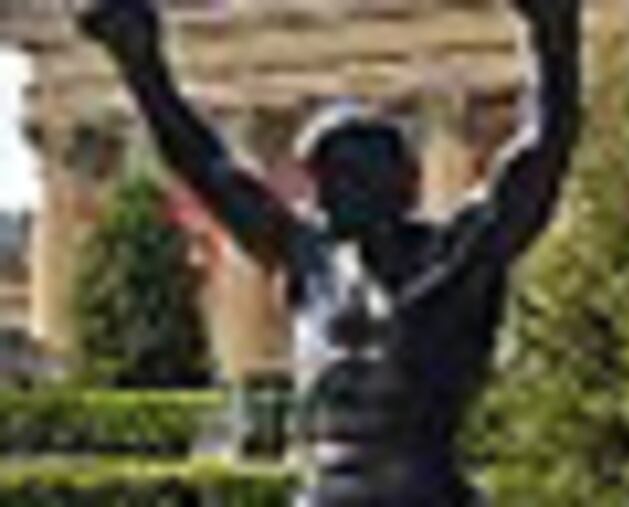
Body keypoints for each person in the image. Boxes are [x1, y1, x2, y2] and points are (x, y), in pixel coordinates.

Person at [78, 0, 582, 504]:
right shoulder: (310, 257)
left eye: (346, 174)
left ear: (401, 182)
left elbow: (541, 158)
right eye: (320, 176)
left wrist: (553, 36)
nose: (323, 193)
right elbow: (208, 169)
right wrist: (143, 66)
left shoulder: (453, 259)